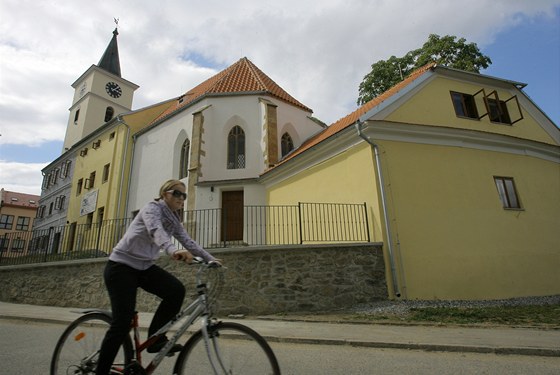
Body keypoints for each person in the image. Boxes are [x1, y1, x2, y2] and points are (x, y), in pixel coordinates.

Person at [96, 179, 218, 375]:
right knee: (122, 323)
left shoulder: (174, 219)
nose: (181, 198)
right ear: (164, 194)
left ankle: (155, 339)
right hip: (121, 267)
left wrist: (212, 260)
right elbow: (155, 231)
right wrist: (172, 250)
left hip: (143, 268)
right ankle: (100, 372)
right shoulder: (152, 209)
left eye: (184, 195)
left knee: (176, 290)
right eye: (177, 193)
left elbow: (189, 241)